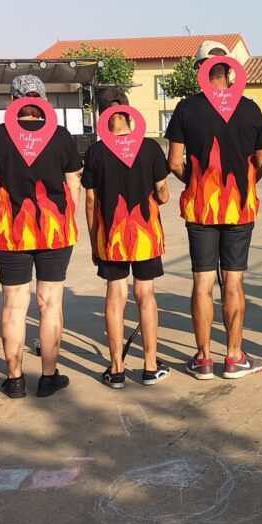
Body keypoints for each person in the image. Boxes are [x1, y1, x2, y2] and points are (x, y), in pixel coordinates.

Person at [166, 40, 262, 380]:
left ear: (199, 70)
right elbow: (261, 160)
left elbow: (174, 162)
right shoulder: (250, 108)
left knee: (202, 281)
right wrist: (246, 182)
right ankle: (234, 356)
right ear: (230, 71)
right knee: (234, 281)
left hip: (200, 208)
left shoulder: (186, 109)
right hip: (239, 207)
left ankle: (203, 359)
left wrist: (196, 182)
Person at [0, 75, 81, 398]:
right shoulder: (61, 135)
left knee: (14, 304)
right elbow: (73, 183)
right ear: (43, 102)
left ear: (13, 102)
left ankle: (14, 379)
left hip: (11, 229)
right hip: (55, 229)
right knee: (49, 302)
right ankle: (48, 375)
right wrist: (69, 219)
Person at [82, 90, 171, 388]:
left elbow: (91, 200)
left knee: (115, 295)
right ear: (129, 114)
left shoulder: (96, 153)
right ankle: (150, 366)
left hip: (111, 235)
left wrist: (94, 239)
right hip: (146, 234)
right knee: (145, 294)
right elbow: (162, 192)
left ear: (102, 116)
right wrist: (161, 196)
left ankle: (117, 369)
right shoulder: (150, 148)